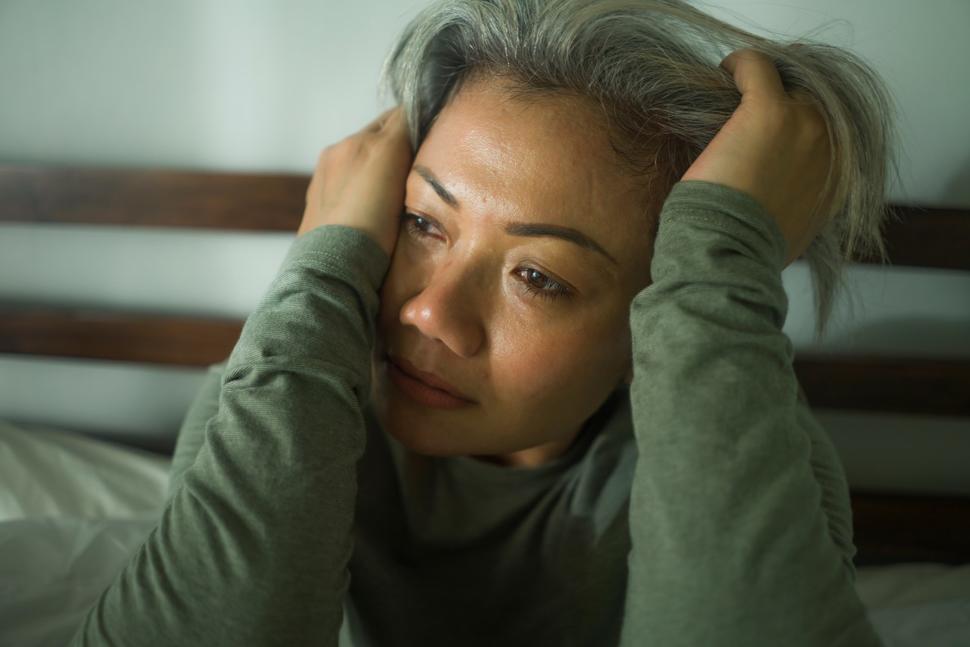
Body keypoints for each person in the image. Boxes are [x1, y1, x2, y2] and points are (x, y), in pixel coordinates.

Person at [70, 0, 897, 644]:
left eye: (537, 276)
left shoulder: (753, 451)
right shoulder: (281, 399)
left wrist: (721, 261)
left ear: (667, 300)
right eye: (425, 222)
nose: (430, 311)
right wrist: (324, 263)